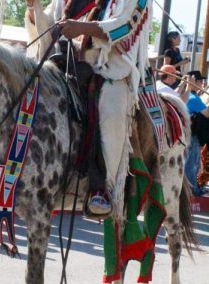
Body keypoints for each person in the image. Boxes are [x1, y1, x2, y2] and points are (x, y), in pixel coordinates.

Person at [26, 0, 165, 216]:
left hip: (111, 67)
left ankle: (104, 189)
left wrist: (82, 28)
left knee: (111, 108)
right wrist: (33, 8)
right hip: (66, 63)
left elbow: (125, 26)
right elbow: (48, 26)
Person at [185, 70, 209, 197]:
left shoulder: (190, 96)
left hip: (188, 133)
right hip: (192, 134)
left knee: (191, 161)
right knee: (192, 162)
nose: (202, 83)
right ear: (194, 82)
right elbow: (207, 113)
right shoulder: (193, 98)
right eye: (200, 81)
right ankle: (191, 189)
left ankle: (190, 187)